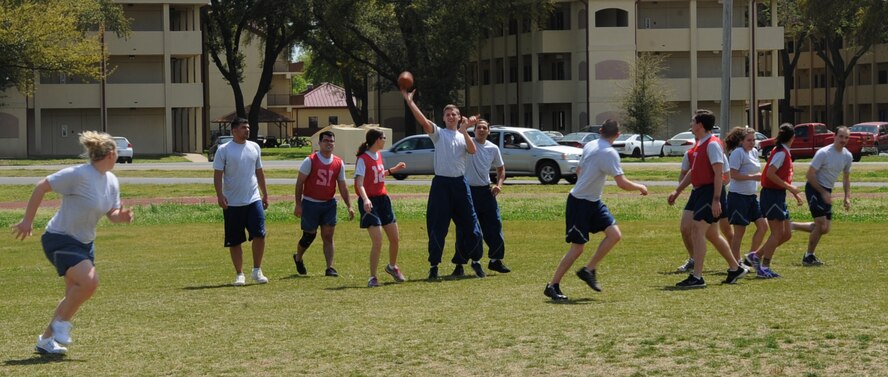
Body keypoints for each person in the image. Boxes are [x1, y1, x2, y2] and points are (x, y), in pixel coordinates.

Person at [11, 131, 133, 355]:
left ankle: (46, 340)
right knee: (89, 283)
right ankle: (61, 325)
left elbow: (111, 212)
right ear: (110, 154)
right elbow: (41, 186)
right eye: (117, 151)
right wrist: (27, 221)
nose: (118, 155)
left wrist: (120, 216)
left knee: (74, 294)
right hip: (59, 238)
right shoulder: (79, 174)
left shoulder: (111, 181)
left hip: (85, 243)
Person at [544, 119, 648, 301]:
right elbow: (622, 183)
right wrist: (640, 186)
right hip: (579, 203)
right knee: (577, 248)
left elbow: (578, 170)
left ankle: (588, 270)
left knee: (614, 234)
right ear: (617, 135)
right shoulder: (609, 153)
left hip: (593, 201)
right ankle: (552, 286)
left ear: (600, 130)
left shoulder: (591, 144)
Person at [401, 87, 484, 280]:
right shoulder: (439, 134)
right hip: (441, 185)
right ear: (444, 118)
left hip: (460, 184)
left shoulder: (464, 136)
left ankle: (476, 261)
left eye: (454, 114)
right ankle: (434, 266)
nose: (451, 116)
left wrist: (465, 130)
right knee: (438, 226)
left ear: (459, 117)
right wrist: (410, 102)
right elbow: (422, 120)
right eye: (448, 114)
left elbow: (473, 151)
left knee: (470, 224)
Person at [667, 110, 747, 288]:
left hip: (710, 192)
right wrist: (677, 191)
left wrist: (717, 199)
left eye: (692, 121)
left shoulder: (711, 144)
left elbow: (719, 173)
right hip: (699, 192)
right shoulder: (699, 145)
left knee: (697, 230)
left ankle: (697, 277)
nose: (690, 124)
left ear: (700, 125)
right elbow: (693, 173)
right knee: (710, 233)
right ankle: (735, 267)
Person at [213, 118, 270, 286]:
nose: (247, 130)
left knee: (260, 234)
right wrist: (219, 195)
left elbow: (259, 172)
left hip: (253, 199)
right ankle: (239, 274)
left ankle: (257, 270)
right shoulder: (223, 150)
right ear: (234, 130)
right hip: (232, 203)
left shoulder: (255, 147)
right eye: (244, 127)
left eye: (248, 127)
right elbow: (217, 175)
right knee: (235, 240)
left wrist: (265, 194)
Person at [292, 131, 355, 277]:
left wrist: (349, 205)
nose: (329, 144)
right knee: (309, 236)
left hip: (329, 204)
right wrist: (298, 204)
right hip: (310, 203)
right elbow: (300, 182)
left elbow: (342, 186)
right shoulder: (310, 160)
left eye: (332, 141)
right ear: (319, 143)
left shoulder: (338, 162)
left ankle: (330, 267)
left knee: (328, 236)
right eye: (326, 141)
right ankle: (298, 258)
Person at [453, 119, 511, 274]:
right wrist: (464, 126)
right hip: (467, 191)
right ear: (475, 130)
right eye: (479, 127)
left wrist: (498, 185)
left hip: (486, 191)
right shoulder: (467, 143)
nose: (481, 130)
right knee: (465, 228)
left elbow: (501, 169)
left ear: (489, 131)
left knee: (494, 224)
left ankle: (495, 260)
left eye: (485, 128)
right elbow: (456, 135)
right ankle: (460, 264)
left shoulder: (493, 149)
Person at [746, 123, 803, 278]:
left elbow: (782, 176)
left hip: (778, 195)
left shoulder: (784, 151)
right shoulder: (781, 153)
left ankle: (755, 256)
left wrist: (794, 194)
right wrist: (791, 188)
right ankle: (764, 267)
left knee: (786, 234)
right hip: (771, 195)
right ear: (793, 138)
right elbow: (770, 174)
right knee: (777, 233)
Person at [790, 126, 853, 266]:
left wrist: (847, 197)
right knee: (820, 223)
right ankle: (809, 256)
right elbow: (809, 175)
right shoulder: (823, 153)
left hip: (827, 191)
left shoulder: (847, 156)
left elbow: (846, 178)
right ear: (834, 136)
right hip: (814, 188)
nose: (843, 140)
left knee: (825, 228)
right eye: (841, 136)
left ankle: (791, 225)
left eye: (846, 137)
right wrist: (822, 192)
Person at [353, 129, 408, 287]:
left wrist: (392, 171)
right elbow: (360, 183)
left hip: (383, 200)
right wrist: (365, 200)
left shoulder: (378, 155)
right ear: (377, 140)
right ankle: (372, 277)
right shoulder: (363, 159)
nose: (385, 140)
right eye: (383, 138)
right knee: (378, 241)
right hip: (370, 202)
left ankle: (392, 267)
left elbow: (377, 175)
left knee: (395, 239)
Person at [675, 136, 734, 273]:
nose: (693, 129)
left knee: (723, 230)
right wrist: (678, 190)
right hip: (698, 193)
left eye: (694, 123)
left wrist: (716, 196)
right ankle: (696, 263)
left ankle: (736, 262)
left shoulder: (713, 146)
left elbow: (724, 176)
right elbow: (687, 173)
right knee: (693, 229)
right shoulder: (691, 152)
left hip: (713, 193)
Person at [723, 127, 768, 266]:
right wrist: (754, 177)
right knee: (739, 233)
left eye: (754, 140)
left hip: (751, 197)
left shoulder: (754, 152)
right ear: (741, 141)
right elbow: (733, 175)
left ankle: (751, 257)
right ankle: (736, 263)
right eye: (749, 140)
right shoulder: (737, 153)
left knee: (763, 226)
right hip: (738, 197)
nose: (752, 142)